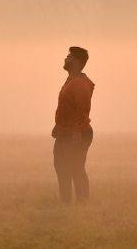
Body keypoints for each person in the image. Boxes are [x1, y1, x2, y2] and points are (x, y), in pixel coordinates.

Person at [52, 46, 95, 204]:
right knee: (61, 166)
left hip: (77, 134)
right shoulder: (72, 80)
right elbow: (67, 108)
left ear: (77, 62)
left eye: (69, 57)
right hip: (66, 132)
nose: (65, 59)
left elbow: (82, 109)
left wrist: (76, 133)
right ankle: (66, 202)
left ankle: (82, 202)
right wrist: (58, 126)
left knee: (76, 168)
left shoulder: (80, 84)